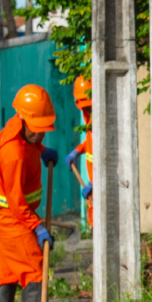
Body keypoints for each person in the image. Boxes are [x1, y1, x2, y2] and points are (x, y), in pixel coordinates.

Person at [0, 85, 59, 302]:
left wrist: (41, 151)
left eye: (43, 129)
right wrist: (37, 226)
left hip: (6, 216)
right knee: (34, 268)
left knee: (5, 274)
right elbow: (16, 202)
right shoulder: (12, 153)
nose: (39, 133)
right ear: (24, 119)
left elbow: (30, 144)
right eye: (36, 128)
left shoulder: (21, 134)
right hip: (12, 217)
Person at [68, 74, 93, 228]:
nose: (87, 109)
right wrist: (77, 151)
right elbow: (90, 142)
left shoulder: (101, 116)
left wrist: (94, 184)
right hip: (94, 186)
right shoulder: (89, 117)